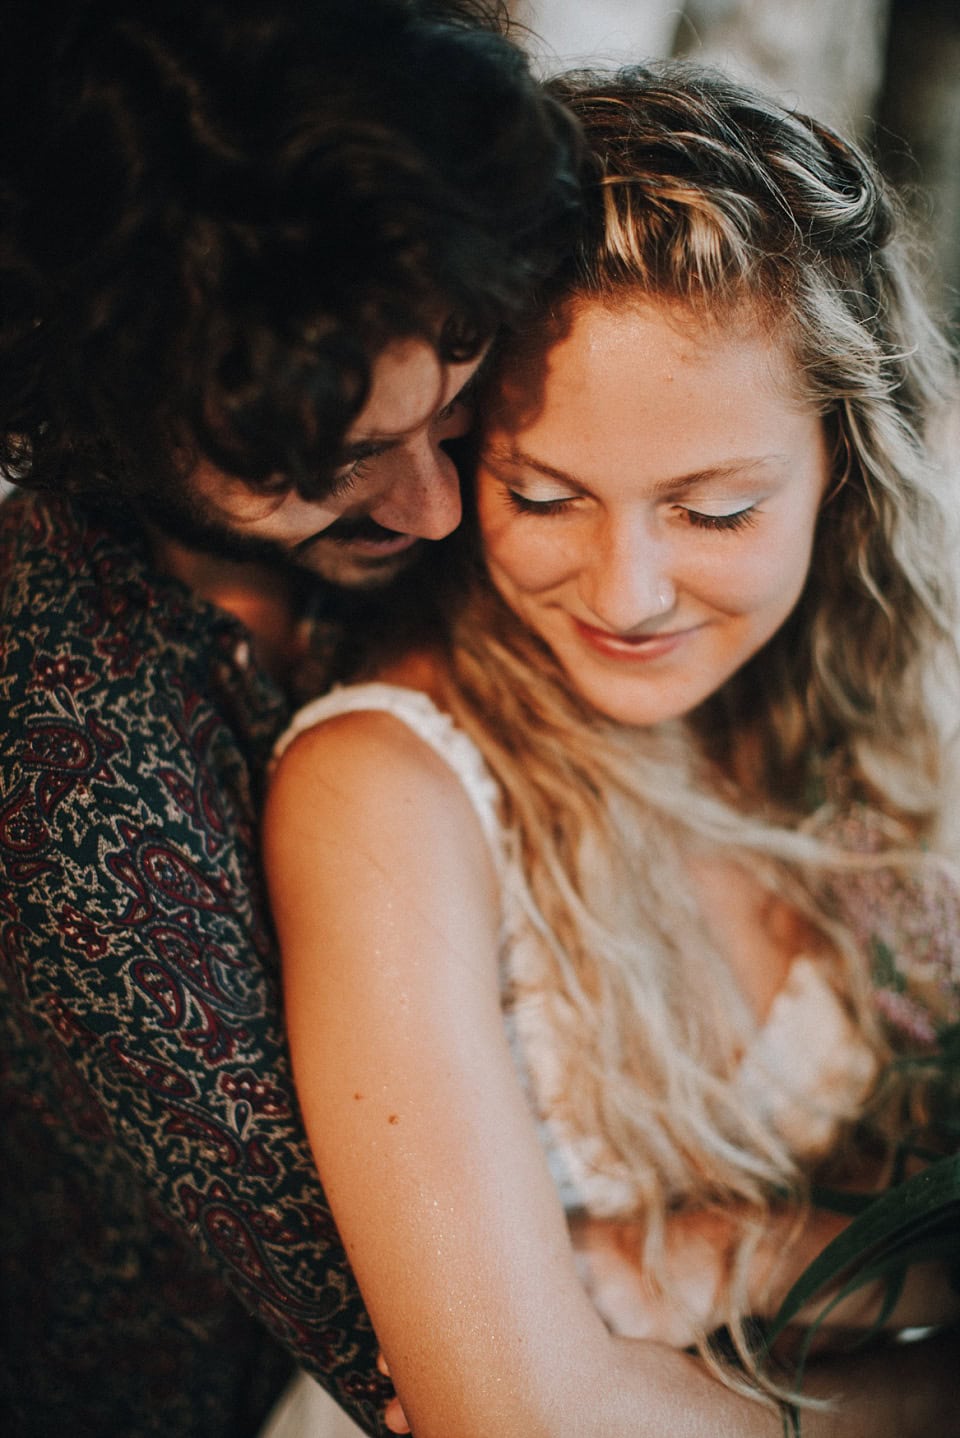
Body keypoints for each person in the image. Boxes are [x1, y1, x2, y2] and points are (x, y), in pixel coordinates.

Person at [264, 61, 960, 1438]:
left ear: (844, 465)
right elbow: (517, 1418)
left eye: (713, 511)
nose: (626, 595)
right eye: (541, 496)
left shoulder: (878, 715)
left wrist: (747, 1254)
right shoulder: (387, 795)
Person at [0, 2, 581, 1435]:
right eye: (335, 466)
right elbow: (452, 1359)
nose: (437, 509)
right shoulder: (74, 776)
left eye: (457, 395)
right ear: (112, 402)